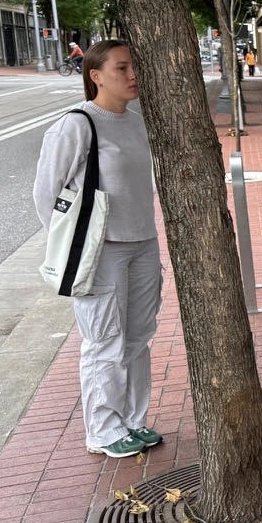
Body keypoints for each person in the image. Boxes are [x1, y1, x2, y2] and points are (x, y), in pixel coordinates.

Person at [33, 40, 164, 458]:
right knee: (103, 340)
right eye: (122, 68)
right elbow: (46, 193)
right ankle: (103, 430)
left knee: (138, 337)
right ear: (95, 75)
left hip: (143, 242)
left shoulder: (136, 120)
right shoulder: (78, 124)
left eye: (134, 67)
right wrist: (74, 244)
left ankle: (132, 421)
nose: (132, 75)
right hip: (102, 251)